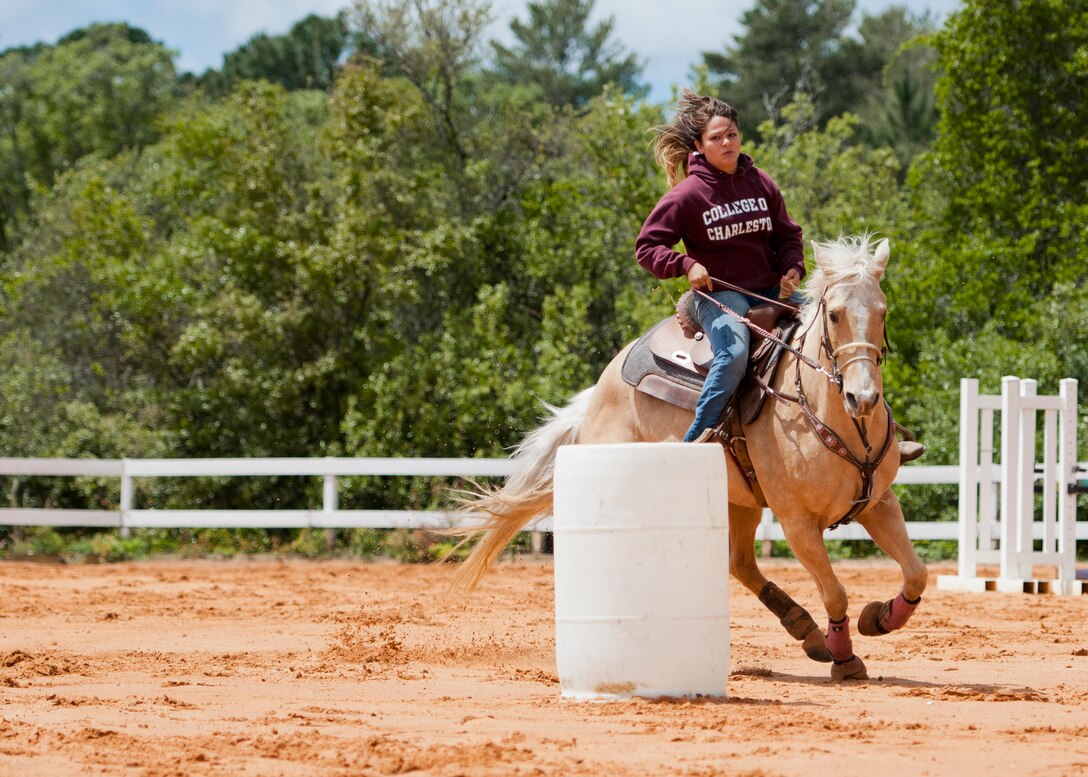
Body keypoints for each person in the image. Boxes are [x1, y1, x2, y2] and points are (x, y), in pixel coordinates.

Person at [636, 90, 805, 443]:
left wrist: (793, 267)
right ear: (699, 145)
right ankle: (698, 440)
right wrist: (685, 264)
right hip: (721, 296)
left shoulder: (761, 182)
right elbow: (647, 248)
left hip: (772, 289)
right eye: (716, 137)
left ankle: (877, 430)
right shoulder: (687, 195)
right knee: (733, 353)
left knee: (837, 323)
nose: (727, 143)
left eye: (732, 134)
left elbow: (788, 234)